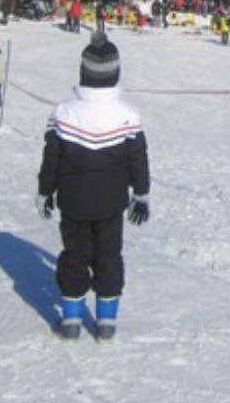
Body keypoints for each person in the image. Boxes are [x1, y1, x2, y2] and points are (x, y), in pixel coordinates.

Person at [36, 33, 150, 341]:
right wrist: (141, 194)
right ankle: (105, 322)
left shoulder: (64, 113)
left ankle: (72, 321)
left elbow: (52, 159)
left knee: (75, 255)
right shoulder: (127, 115)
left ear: (83, 72)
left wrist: (45, 191)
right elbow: (138, 158)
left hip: (73, 202)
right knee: (108, 256)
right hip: (112, 203)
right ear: (115, 73)